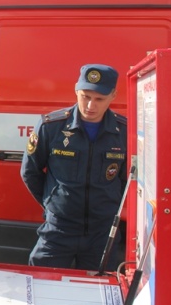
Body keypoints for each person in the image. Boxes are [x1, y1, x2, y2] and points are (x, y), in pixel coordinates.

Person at [20, 64, 127, 271]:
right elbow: (30, 172)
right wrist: (53, 203)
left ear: (113, 95)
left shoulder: (123, 132)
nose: (90, 106)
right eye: (85, 96)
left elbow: (126, 181)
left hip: (103, 233)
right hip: (59, 230)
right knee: (42, 285)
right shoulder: (51, 126)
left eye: (99, 99)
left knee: (98, 295)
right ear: (76, 90)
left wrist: (108, 207)